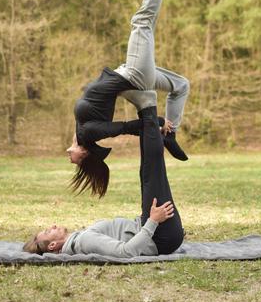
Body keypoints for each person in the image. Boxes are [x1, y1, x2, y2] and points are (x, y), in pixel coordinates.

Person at [68, 0, 190, 198]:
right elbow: (125, 127)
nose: (69, 155)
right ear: (85, 153)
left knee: (181, 85)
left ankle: (172, 133)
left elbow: (81, 136)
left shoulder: (81, 131)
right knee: (142, 21)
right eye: (75, 159)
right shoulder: (89, 132)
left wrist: (164, 126)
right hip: (133, 77)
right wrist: (156, 121)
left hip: (127, 75)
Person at [24, 103, 184, 256]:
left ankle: (150, 117)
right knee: (152, 170)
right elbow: (126, 252)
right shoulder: (84, 241)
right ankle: (149, 110)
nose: (52, 226)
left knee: (148, 171)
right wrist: (153, 221)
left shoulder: (79, 239)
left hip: (154, 230)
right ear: (53, 245)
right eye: (47, 231)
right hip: (160, 235)